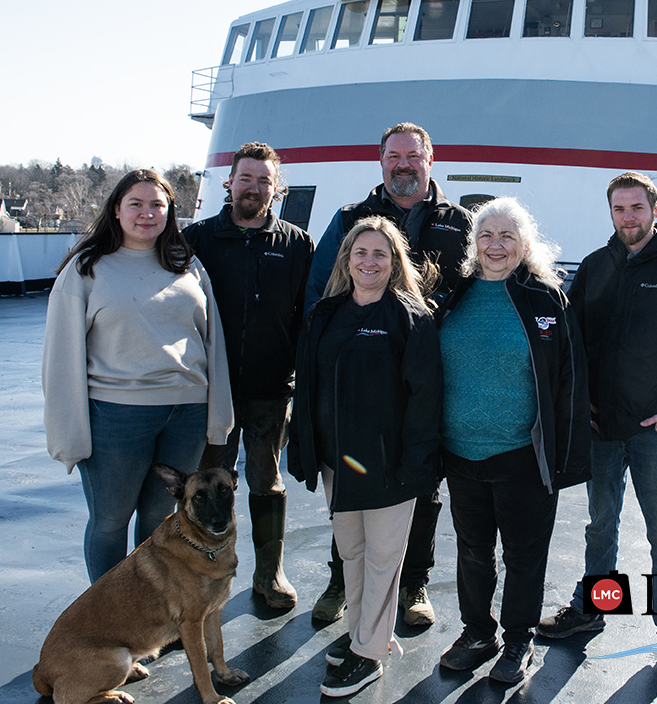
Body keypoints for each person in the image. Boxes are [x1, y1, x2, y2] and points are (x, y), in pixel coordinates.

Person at [536, 172, 657, 681]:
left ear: (655, 209)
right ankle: (597, 606)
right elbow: (572, 346)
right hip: (603, 429)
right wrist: (583, 407)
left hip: (654, 432)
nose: (628, 217)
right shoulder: (597, 267)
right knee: (601, 525)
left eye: (636, 207)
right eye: (619, 209)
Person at [304, 122, 471, 627]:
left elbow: (473, 284)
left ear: (429, 160)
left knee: (422, 474)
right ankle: (342, 578)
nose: (403, 164)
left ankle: (413, 581)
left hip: (428, 374)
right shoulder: (352, 219)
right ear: (381, 162)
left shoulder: (459, 222)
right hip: (359, 378)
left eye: (412, 156)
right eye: (393, 156)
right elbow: (319, 293)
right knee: (352, 471)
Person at [42, 169, 233, 584]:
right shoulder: (86, 270)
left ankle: (154, 615)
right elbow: (61, 358)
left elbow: (212, 343)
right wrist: (67, 433)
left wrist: (219, 417)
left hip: (186, 415)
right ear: (116, 210)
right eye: (136, 204)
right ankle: (111, 624)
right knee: (110, 522)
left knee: (161, 521)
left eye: (157, 205)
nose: (147, 214)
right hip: (116, 417)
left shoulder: (188, 265)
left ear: (169, 212)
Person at [434, 198, 590, 684]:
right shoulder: (452, 294)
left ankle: (517, 638)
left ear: (524, 244)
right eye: (486, 235)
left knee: (523, 555)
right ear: (473, 242)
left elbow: (568, 381)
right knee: (473, 549)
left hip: (523, 456)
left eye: (507, 236)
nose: (495, 245)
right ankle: (478, 632)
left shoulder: (545, 298)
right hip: (461, 453)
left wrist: (562, 459)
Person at [287, 216, 442, 697]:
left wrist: (417, 466)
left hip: (389, 465)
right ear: (347, 260)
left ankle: (369, 653)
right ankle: (363, 635)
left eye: (380, 253)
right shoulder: (325, 314)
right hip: (340, 463)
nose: (369, 261)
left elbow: (426, 398)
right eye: (361, 253)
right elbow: (308, 387)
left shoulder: (411, 318)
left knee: (382, 559)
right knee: (351, 553)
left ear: (395, 262)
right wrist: (305, 450)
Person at [182, 142, 314, 610]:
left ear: (275, 189)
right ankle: (202, 578)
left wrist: (303, 376)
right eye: (246, 179)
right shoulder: (197, 240)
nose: (254, 188)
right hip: (213, 389)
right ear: (229, 183)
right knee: (209, 483)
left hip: (270, 390)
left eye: (264, 181)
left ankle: (268, 573)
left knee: (266, 481)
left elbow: (306, 316)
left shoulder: (297, 243)